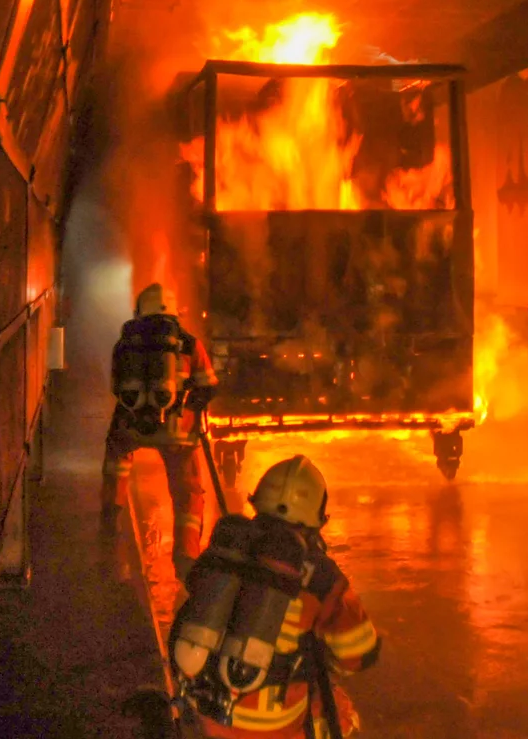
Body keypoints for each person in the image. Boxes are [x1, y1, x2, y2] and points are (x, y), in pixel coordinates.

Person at [169, 455, 382, 739]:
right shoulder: (320, 574)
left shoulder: (227, 548)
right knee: (339, 709)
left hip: (208, 717)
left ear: (258, 502)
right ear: (315, 519)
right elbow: (359, 653)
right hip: (274, 728)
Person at [101, 282, 218, 579]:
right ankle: (186, 555)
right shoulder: (189, 343)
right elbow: (209, 386)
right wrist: (188, 403)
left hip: (132, 426)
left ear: (140, 311)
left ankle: (111, 516)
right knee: (188, 491)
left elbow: (116, 386)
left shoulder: (124, 343)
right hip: (177, 431)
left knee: (117, 455)